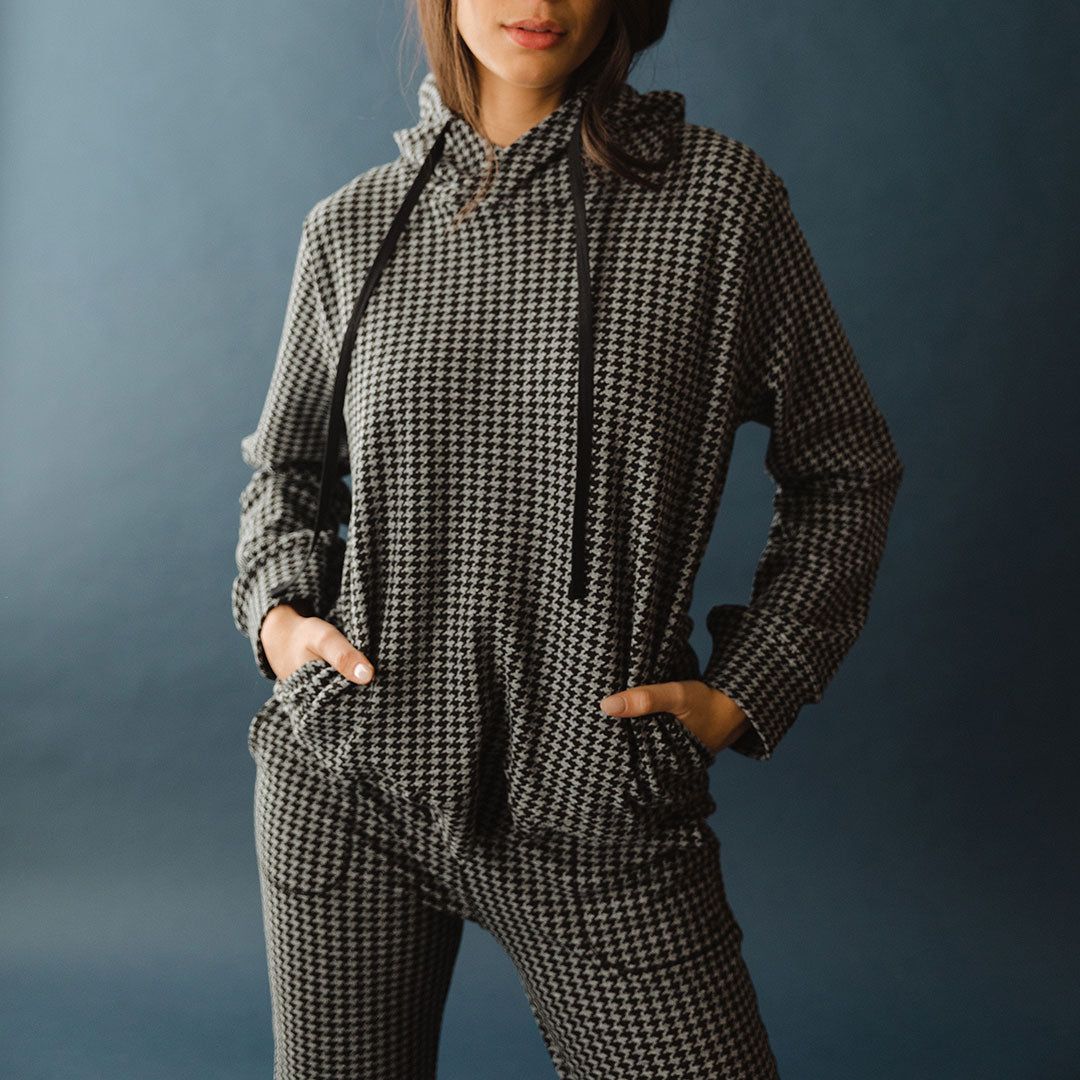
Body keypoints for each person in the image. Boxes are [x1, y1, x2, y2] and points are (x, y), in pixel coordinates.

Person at [230, 1, 905, 1076]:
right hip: (350, 786)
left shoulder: (717, 204)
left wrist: (749, 685)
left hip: (601, 804)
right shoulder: (353, 227)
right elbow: (287, 471)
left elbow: (846, 469)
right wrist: (280, 621)